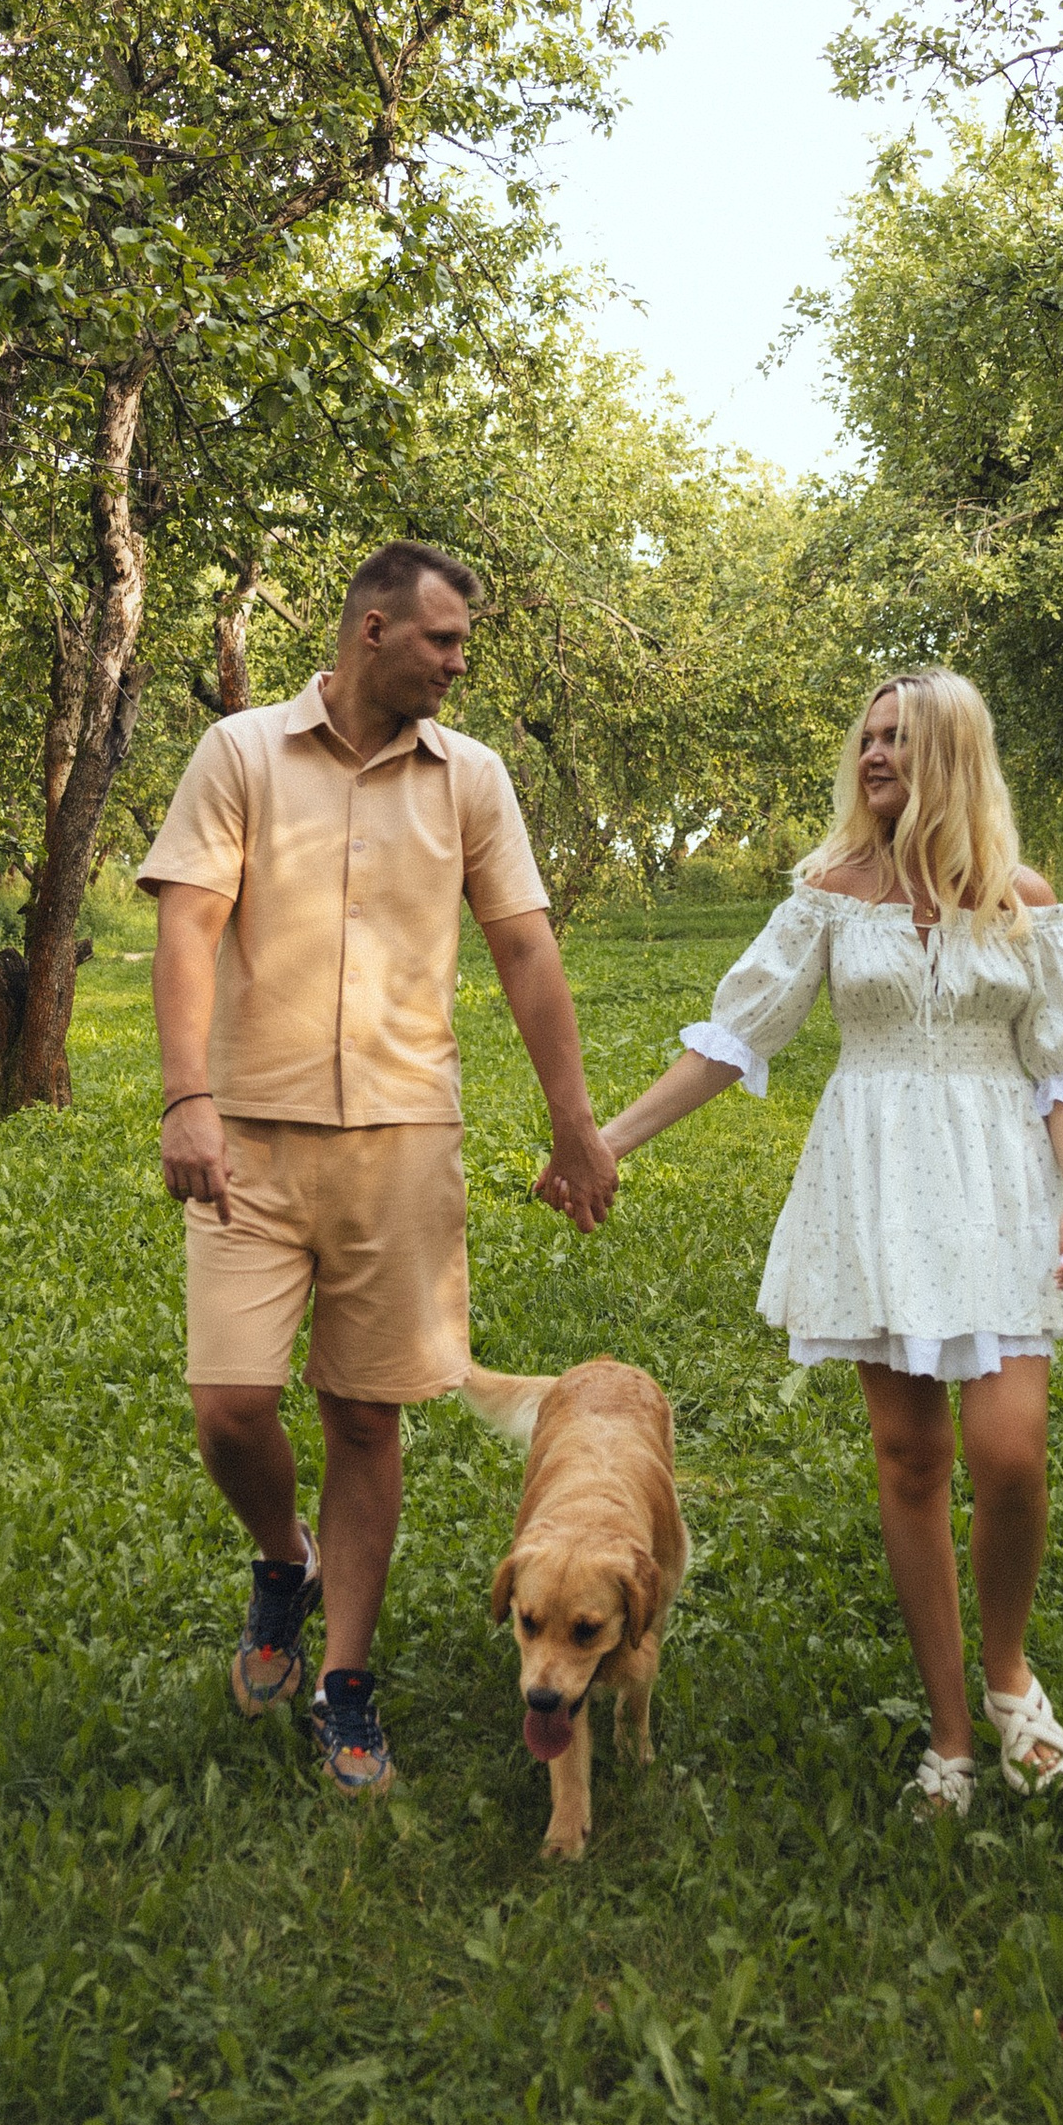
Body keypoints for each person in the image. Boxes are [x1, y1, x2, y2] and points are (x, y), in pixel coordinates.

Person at [143, 542, 618, 1797]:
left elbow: (522, 948)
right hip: (247, 1134)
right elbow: (186, 923)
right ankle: (281, 1559)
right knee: (229, 1404)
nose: (461, 665)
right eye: (445, 642)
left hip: (405, 1139)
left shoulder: (473, 779)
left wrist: (575, 1125)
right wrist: (185, 1096)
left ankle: (344, 1681)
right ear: (370, 630)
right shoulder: (240, 753)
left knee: (364, 1413)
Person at [600, 669, 1063, 1821]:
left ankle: (1010, 1675)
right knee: (911, 1459)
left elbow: (1062, 1065)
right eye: (867, 737)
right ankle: (948, 1734)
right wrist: (610, 1140)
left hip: (995, 1184)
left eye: (899, 738)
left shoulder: (1020, 901)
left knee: (1011, 1454)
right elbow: (736, 1038)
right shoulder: (827, 895)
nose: (874, 754)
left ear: (950, 755)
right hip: (874, 1182)